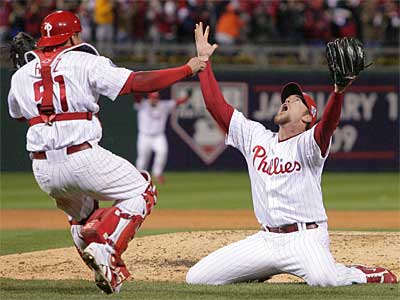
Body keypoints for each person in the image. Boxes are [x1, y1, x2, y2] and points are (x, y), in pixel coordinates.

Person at [7, 10, 205, 294]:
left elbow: (17, 114)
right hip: (80, 155)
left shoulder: (21, 74)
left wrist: (24, 80)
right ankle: (106, 247)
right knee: (143, 190)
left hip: (42, 168)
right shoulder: (86, 61)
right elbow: (136, 83)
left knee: (83, 217)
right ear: (74, 36)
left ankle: (105, 268)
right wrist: (186, 69)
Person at [186, 22, 397, 287]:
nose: (286, 100)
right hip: (266, 240)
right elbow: (215, 105)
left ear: (309, 117)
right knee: (197, 278)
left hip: (306, 238)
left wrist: (338, 92)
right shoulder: (255, 136)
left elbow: (329, 125)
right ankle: (258, 270)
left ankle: (357, 274)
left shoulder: (309, 143)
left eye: (296, 100)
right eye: (286, 98)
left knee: (324, 280)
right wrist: (204, 62)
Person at [134, 90, 191, 184]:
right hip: (144, 135)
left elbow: (178, 102)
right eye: (152, 98)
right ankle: (139, 176)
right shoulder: (143, 104)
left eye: (155, 98)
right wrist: (137, 88)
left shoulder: (163, 105)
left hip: (158, 136)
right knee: (142, 158)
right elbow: (136, 97)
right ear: (149, 98)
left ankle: (157, 173)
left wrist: (187, 97)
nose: (154, 100)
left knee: (162, 152)